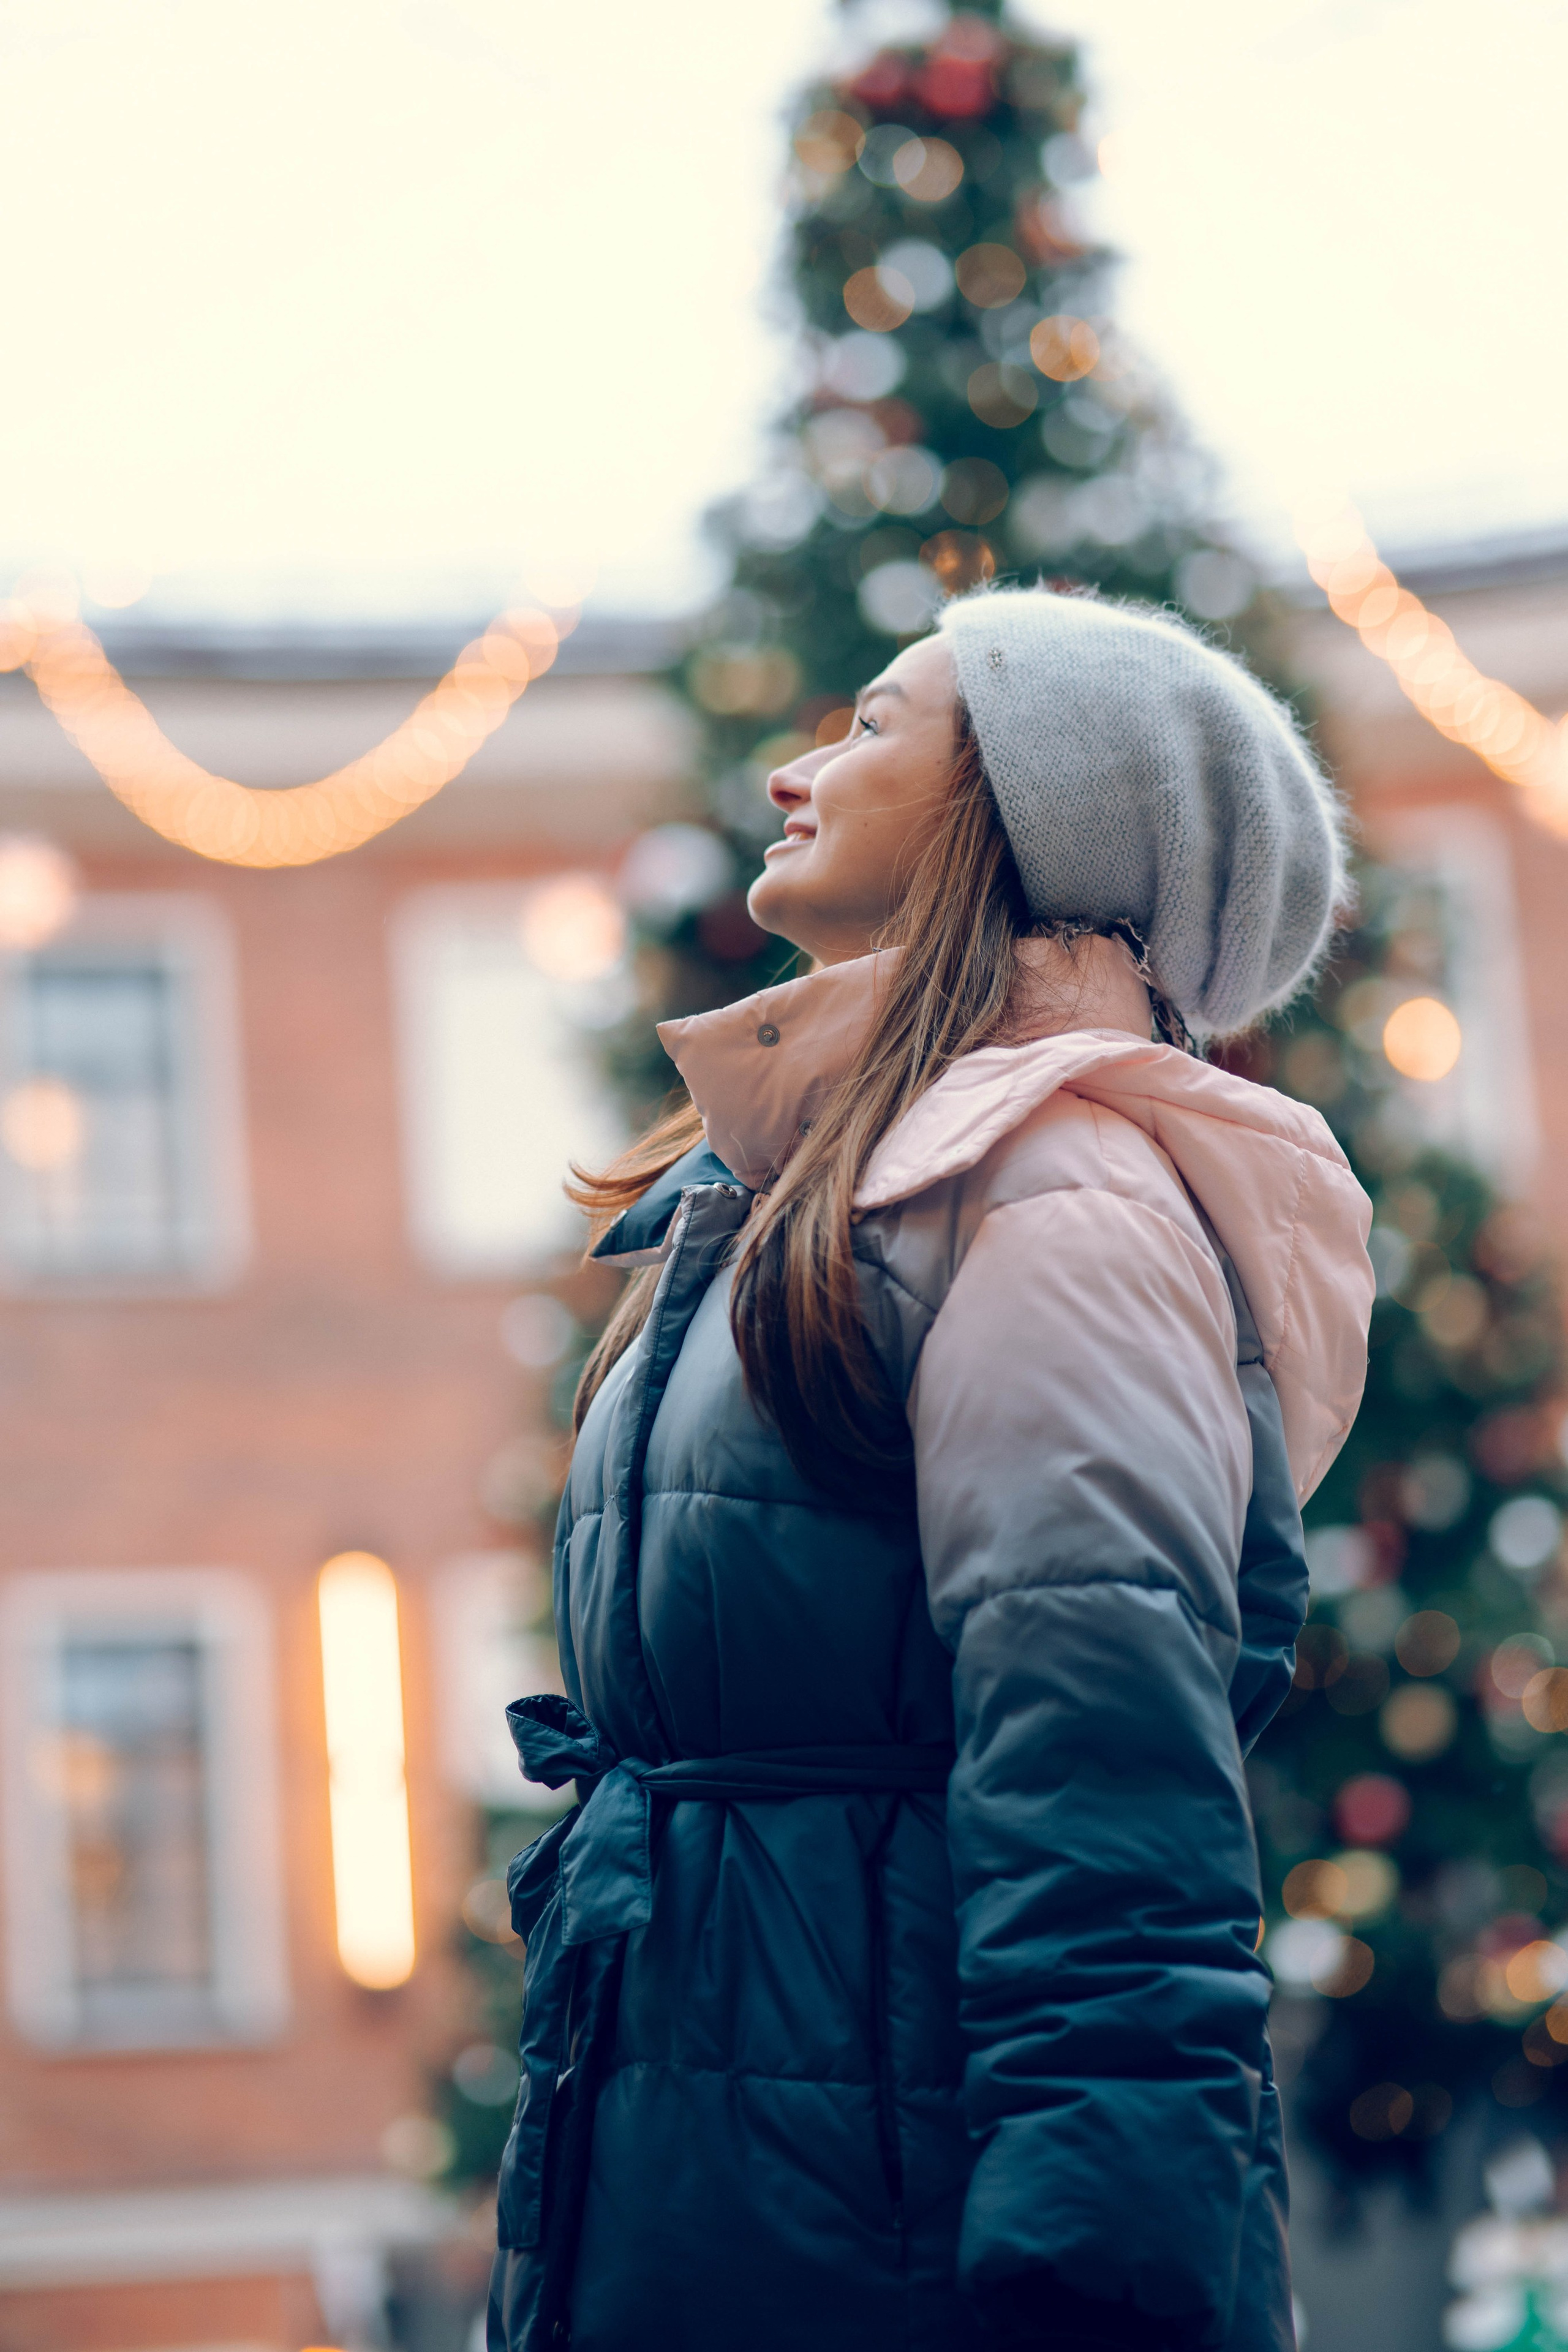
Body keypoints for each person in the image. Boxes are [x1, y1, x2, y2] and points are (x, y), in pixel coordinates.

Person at [488, 587, 1374, 2352]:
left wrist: (1097, 2274)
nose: (798, 773)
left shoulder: (1057, 1192)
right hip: (714, 2172)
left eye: (878, 726)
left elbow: (1106, 1763)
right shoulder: (798, 1179)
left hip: (883, 2216)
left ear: (1036, 811)